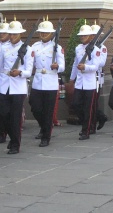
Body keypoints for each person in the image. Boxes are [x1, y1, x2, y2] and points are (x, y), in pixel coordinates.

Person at [0, 18, 33, 154]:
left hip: (18, 87)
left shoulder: (27, 49)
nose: (13, 36)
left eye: (15, 34)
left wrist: (20, 72)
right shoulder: (4, 47)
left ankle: (15, 144)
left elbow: (29, 71)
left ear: (20, 34)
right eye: (11, 34)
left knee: (15, 117)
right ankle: (13, 137)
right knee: (3, 114)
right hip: (4, 85)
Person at [29, 18, 65, 147]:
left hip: (50, 81)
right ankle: (45, 126)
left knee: (48, 111)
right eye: (41, 32)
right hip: (38, 80)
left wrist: (57, 66)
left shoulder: (57, 47)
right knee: (35, 107)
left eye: (46, 32)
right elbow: (30, 62)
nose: (43, 34)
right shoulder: (34, 46)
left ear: (51, 34)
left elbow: (63, 66)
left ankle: (46, 136)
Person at [70, 24, 100, 140]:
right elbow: (75, 64)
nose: (82, 37)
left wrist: (85, 67)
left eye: (85, 35)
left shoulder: (96, 50)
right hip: (79, 82)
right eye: (81, 35)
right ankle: (87, 124)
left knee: (88, 108)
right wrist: (72, 78)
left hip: (89, 83)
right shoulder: (78, 48)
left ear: (91, 36)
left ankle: (85, 131)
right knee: (76, 105)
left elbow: (95, 67)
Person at [90, 23, 108, 132]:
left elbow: (102, 62)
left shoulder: (102, 47)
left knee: (93, 103)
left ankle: (93, 124)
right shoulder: (88, 46)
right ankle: (100, 117)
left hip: (96, 78)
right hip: (87, 77)